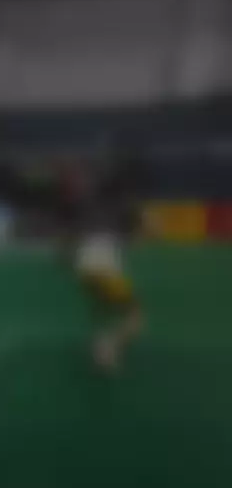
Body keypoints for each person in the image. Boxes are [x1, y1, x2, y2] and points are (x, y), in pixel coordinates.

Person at [74, 154, 148, 372]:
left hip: (84, 265)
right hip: (104, 266)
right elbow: (139, 233)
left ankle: (98, 341)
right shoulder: (126, 204)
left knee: (101, 303)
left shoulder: (92, 203)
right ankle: (108, 347)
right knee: (136, 318)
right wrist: (137, 232)